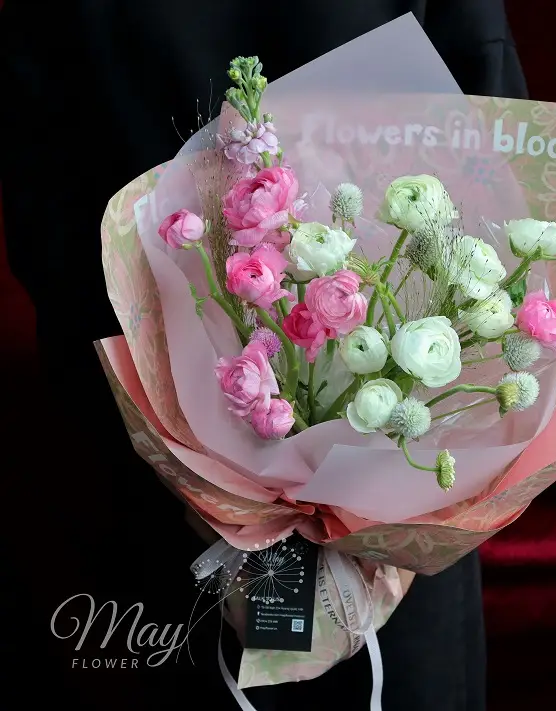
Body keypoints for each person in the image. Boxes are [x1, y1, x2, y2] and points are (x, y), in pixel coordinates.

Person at [0, 2, 527, 709]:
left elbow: (50, 219)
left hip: (169, 476)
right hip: (394, 467)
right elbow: (496, 142)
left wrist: (178, 449)